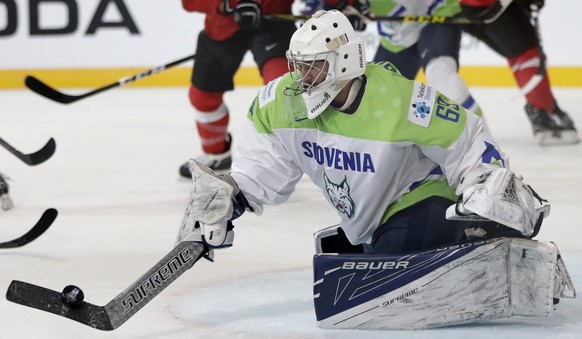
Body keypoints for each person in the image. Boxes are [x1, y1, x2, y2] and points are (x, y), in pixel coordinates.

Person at [178, 9, 541, 258]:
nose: (302, 78)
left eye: (314, 67)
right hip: (368, 222)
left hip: (422, 199)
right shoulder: (279, 103)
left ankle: (474, 237)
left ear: (345, 62)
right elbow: (261, 173)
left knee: (390, 261)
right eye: (298, 66)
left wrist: (488, 183)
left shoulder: (401, 98)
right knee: (364, 257)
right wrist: (231, 195)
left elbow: (467, 138)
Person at [305, 0, 485, 118]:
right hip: (397, 35)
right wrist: (340, 12)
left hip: (436, 15)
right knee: (371, 95)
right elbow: (322, 10)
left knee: (440, 73)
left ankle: (483, 147)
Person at [179, 0, 296, 178]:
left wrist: (346, 4)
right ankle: (217, 155)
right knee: (202, 97)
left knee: (284, 92)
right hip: (223, 25)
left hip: (274, 24)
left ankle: (285, 160)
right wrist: (226, 3)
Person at [460, 0, 580, 146]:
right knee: (527, 53)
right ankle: (545, 114)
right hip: (488, 5)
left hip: (462, 8)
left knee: (516, 51)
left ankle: (545, 109)